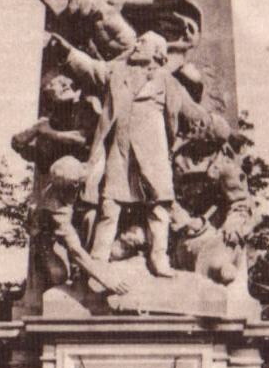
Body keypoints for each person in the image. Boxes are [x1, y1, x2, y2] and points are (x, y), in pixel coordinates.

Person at [49, 29, 231, 277]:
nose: (136, 45)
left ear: (157, 52)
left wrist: (216, 127)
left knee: (159, 207)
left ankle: (159, 257)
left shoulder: (167, 81)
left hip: (154, 153)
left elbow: (190, 111)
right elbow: (93, 69)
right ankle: (99, 257)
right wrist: (68, 52)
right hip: (120, 151)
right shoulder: (119, 72)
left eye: (142, 42)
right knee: (110, 204)